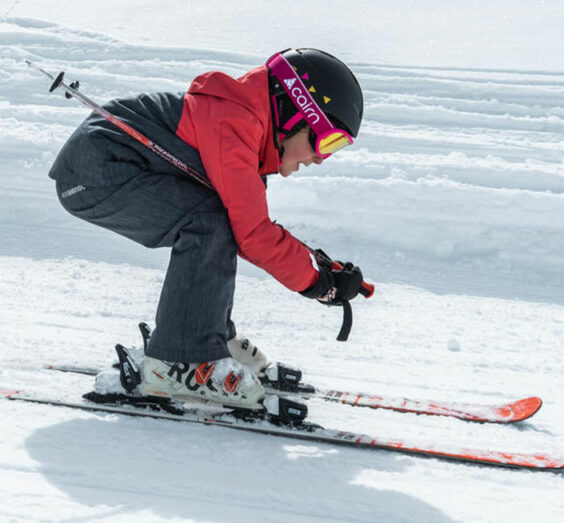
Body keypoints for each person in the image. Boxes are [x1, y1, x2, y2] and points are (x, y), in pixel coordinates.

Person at [49, 48, 369, 414]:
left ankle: (208, 338)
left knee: (216, 219)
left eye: (337, 147)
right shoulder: (233, 122)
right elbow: (253, 234)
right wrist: (318, 283)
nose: (320, 158)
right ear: (294, 112)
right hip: (94, 175)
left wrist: (318, 268)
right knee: (208, 220)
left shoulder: (243, 124)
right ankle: (183, 360)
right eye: (326, 141)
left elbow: (248, 229)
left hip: (107, 168)